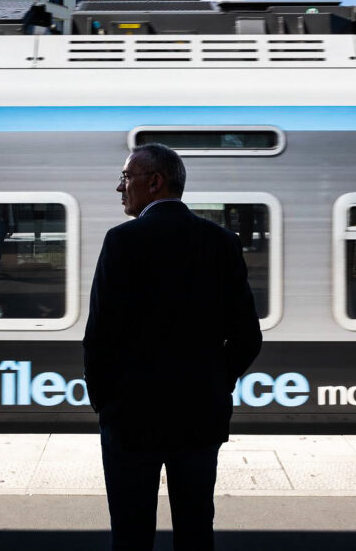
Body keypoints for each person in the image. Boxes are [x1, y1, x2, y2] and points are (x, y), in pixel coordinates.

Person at [83, 143, 262, 551]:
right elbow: (248, 337)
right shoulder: (221, 242)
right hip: (200, 414)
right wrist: (215, 381)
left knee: (131, 534)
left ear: (155, 182)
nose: (119, 188)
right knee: (196, 529)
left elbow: (100, 337)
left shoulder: (122, 242)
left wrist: (105, 404)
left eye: (126, 178)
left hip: (130, 417)